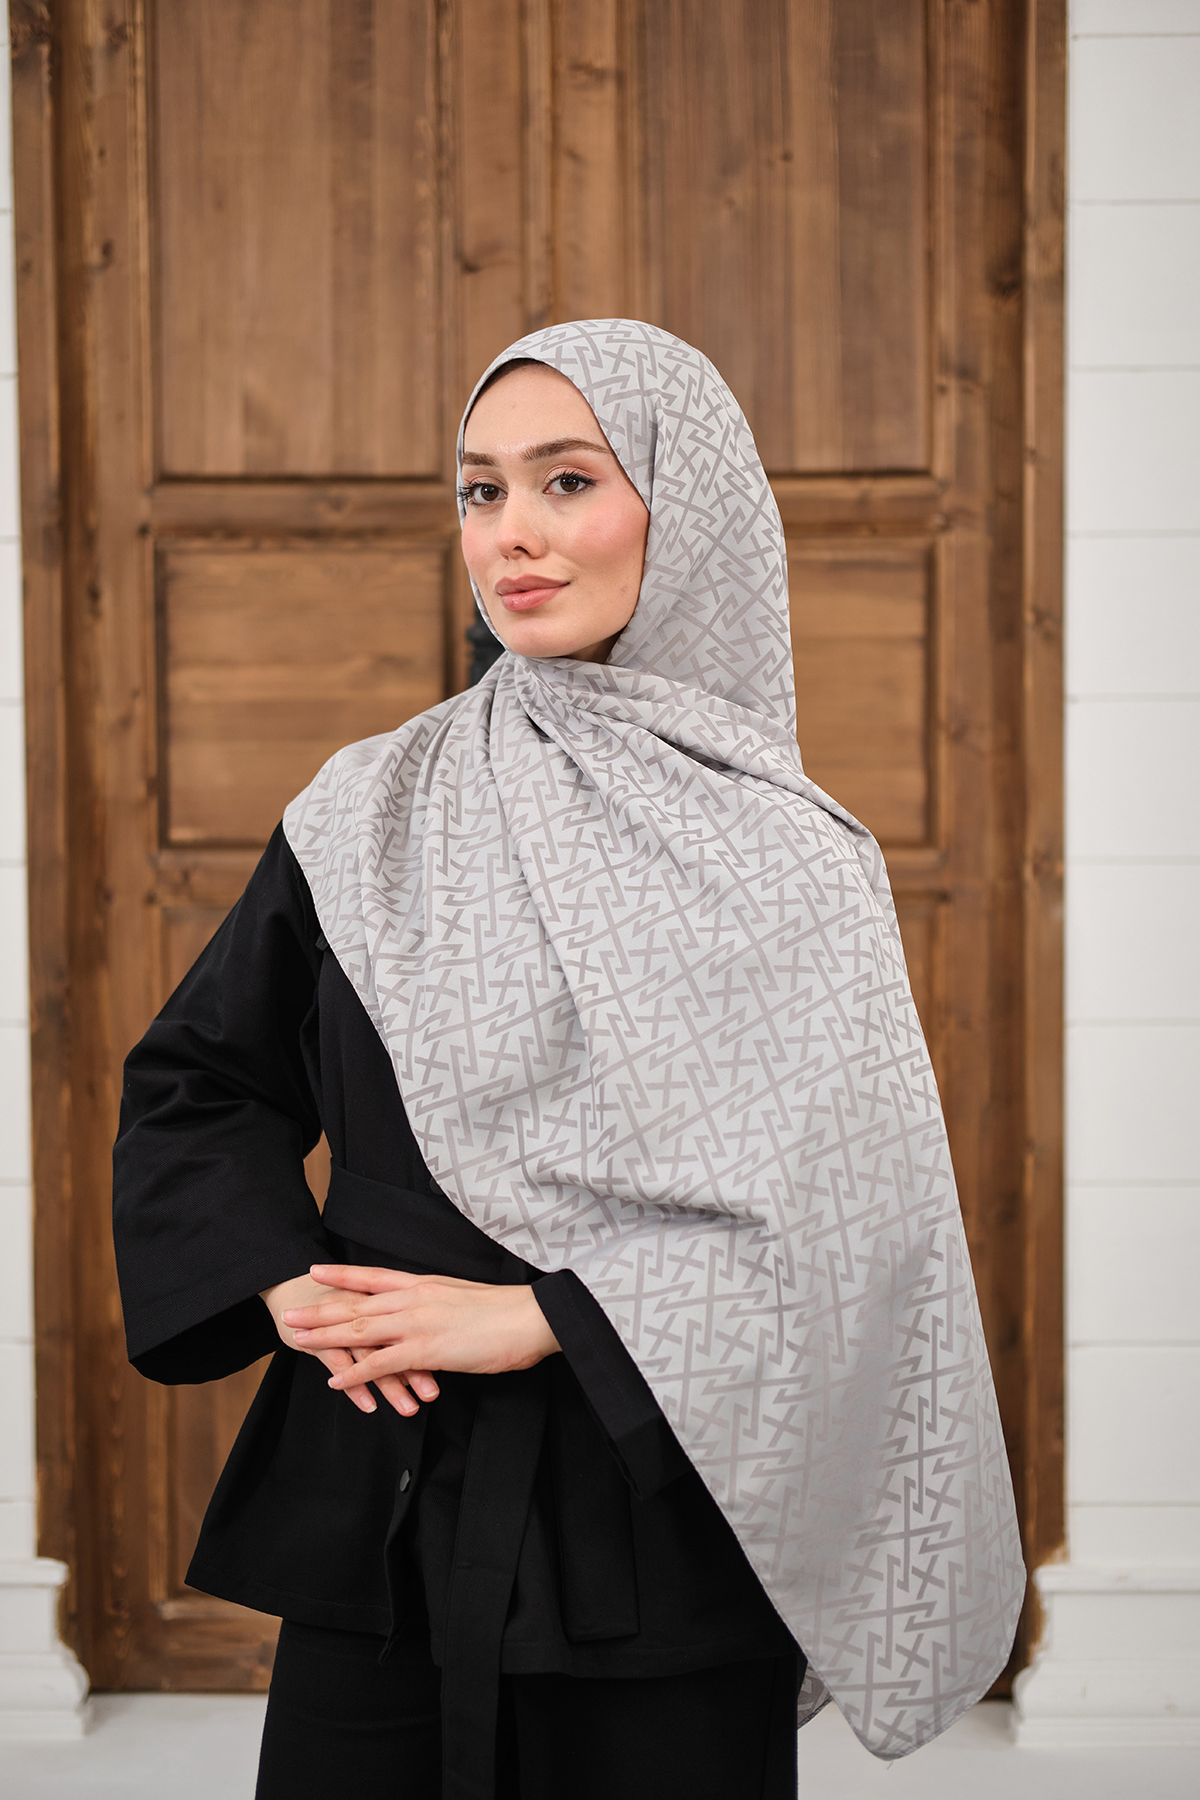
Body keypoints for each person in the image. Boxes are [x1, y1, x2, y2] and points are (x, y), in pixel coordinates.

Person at [113, 320, 1024, 1800]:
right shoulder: (366, 809)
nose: (513, 535)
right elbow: (197, 1084)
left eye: (568, 481)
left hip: (653, 1520)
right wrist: (283, 1281)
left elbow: (853, 1239)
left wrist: (545, 1319)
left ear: (687, 511)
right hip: (383, 1508)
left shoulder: (794, 858)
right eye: (482, 491)